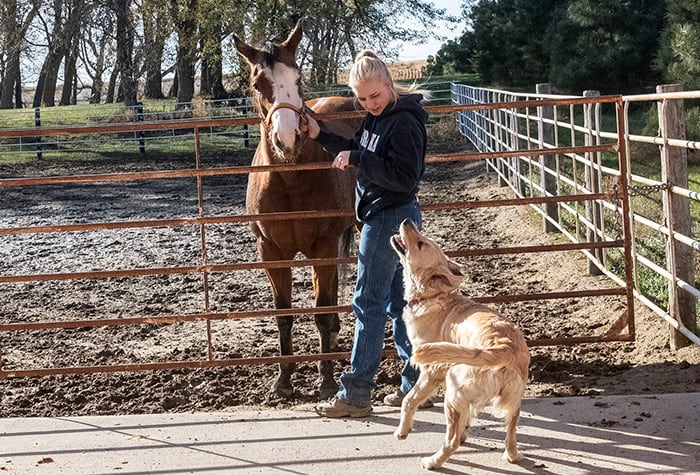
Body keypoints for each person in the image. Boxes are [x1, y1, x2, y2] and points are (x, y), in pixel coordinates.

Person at [306, 50, 430, 418]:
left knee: (367, 304)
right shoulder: (377, 119)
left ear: (389, 85)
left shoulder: (403, 123)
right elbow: (358, 149)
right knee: (397, 304)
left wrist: (360, 161)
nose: (369, 104)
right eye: (362, 98)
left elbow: (405, 178)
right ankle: (417, 385)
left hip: (389, 216)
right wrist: (321, 135)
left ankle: (357, 393)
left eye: (374, 96)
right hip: (387, 216)